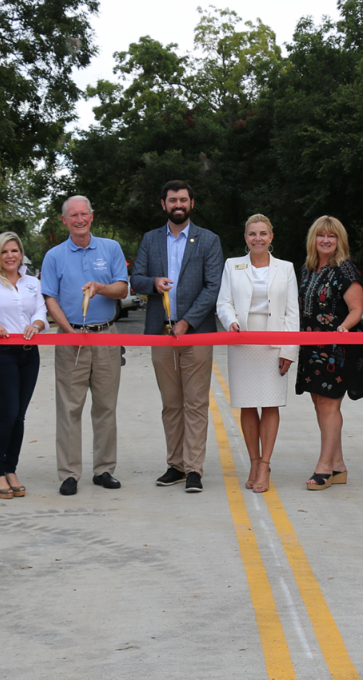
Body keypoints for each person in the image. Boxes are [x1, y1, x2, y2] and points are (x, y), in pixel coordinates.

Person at [132, 180, 224, 494]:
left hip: (196, 333)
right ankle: (176, 465)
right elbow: (136, 280)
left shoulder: (209, 240)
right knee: (171, 404)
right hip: (160, 332)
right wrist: (153, 282)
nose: (178, 205)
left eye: (183, 199)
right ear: (164, 205)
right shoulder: (150, 240)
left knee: (196, 404)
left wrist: (187, 321)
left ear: (192, 203)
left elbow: (213, 287)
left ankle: (195, 469)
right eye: (172, 200)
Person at [41, 196, 129, 496]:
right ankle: (69, 473)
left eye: (84, 214)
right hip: (70, 339)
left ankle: (104, 470)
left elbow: (122, 288)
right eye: (73, 215)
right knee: (69, 408)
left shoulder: (110, 248)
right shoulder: (54, 256)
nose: (79, 219)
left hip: (106, 336)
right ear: (64, 220)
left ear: (92, 216)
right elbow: (49, 297)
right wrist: (67, 330)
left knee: (105, 407)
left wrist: (100, 287)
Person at [215, 214, 299, 493]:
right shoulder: (232, 265)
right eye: (252, 234)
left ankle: (265, 464)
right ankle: (253, 461)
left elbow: (292, 311)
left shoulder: (285, 268)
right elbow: (223, 302)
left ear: (271, 237)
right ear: (245, 238)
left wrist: (289, 348)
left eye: (263, 233)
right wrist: (230, 322)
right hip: (242, 340)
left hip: (274, 341)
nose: (258, 238)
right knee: (248, 404)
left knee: (270, 404)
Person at [0, 232, 48, 499]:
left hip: (29, 353)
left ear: (21, 253)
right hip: (0, 354)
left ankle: (11, 469)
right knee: (8, 412)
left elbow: (40, 312)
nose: (10, 256)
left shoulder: (32, 283)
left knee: (20, 415)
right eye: (5, 252)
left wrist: (35, 325)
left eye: (15, 251)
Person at [295, 215, 363, 491]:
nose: (326, 240)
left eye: (332, 236)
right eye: (321, 235)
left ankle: (324, 467)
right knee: (320, 404)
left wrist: (341, 331)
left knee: (329, 405)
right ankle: (338, 464)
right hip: (311, 347)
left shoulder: (345, 270)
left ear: (340, 241)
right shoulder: (307, 269)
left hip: (338, 348)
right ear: (313, 239)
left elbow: (357, 310)